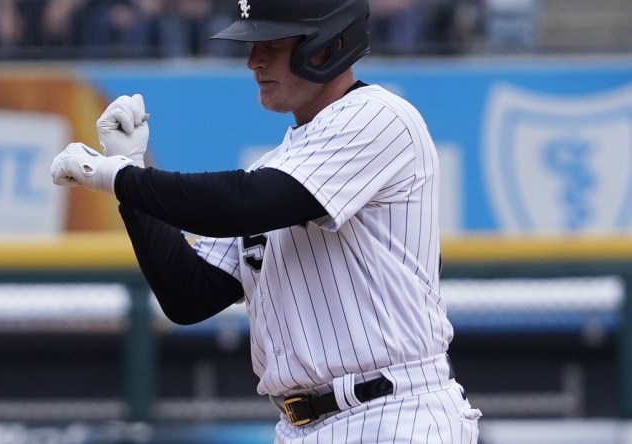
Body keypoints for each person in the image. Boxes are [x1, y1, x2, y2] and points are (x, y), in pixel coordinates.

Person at [50, 0, 482, 442]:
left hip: (394, 414)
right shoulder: (278, 166)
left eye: (272, 44)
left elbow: (244, 203)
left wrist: (116, 177)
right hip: (302, 425)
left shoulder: (381, 116)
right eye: (253, 44)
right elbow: (189, 295)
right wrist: (129, 170)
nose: (254, 61)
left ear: (328, 45)